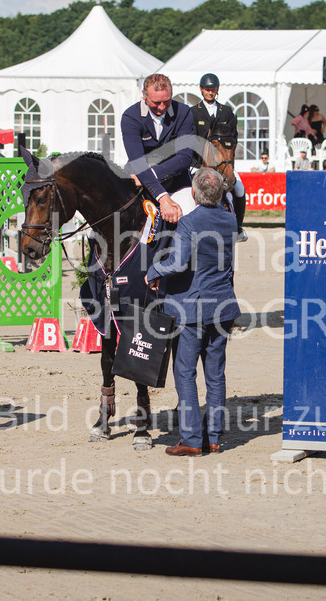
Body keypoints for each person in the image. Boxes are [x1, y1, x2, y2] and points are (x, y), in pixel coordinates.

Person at [146, 167, 240, 456]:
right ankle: (213, 437)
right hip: (223, 305)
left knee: (185, 372)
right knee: (215, 374)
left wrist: (152, 270)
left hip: (193, 307)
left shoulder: (188, 223)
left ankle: (190, 439)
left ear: (195, 195)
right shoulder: (231, 220)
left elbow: (177, 263)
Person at [120, 73, 197, 224]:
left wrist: (153, 175)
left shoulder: (183, 112)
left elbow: (185, 157)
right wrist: (162, 196)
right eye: (156, 103)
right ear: (144, 96)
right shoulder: (130, 117)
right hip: (137, 180)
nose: (161, 107)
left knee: (190, 219)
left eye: (166, 101)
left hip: (177, 183)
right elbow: (137, 162)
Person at [189, 72, 248, 241]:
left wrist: (227, 162)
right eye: (207, 90)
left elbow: (233, 140)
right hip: (198, 163)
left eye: (213, 90)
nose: (210, 92)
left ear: (217, 90)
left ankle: (238, 228)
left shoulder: (227, 112)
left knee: (239, 188)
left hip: (222, 164)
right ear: (201, 90)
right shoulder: (193, 112)